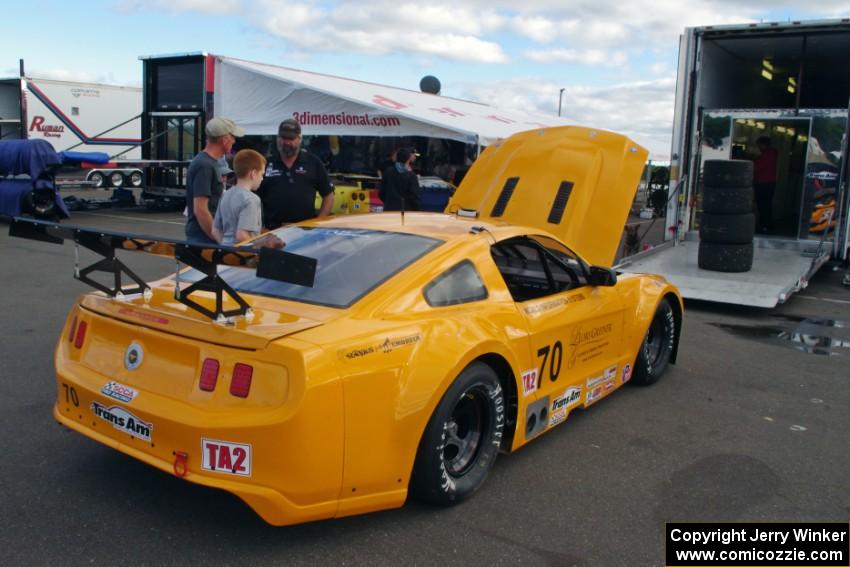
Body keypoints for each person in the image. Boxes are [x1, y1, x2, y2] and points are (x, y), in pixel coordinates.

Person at [257, 118, 334, 228]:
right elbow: (254, 199)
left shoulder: (313, 162)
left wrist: (317, 224)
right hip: (272, 232)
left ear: (299, 139)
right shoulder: (266, 163)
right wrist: (261, 228)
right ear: (277, 138)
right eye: (283, 138)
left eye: (291, 138)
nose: (287, 142)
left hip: (304, 233)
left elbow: (329, 195)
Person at [185, 117, 244, 244]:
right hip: (203, 240)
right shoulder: (204, 165)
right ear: (224, 140)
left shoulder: (210, 162)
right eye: (232, 136)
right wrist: (220, 239)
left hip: (204, 237)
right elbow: (200, 210)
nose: (234, 140)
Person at [212, 149, 283, 248]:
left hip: (226, 254)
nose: (262, 178)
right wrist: (260, 247)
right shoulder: (251, 199)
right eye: (261, 174)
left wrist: (226, 248)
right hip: (244, 257)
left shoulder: (225, 195)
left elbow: (215, 230)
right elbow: (241, 235)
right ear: (253, 173)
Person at [753, 136, 778, 233]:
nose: (758, 147)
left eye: (759, 145)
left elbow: (756, 167)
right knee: (767, 205)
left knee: (762, 205)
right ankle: (767, 225)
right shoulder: (773, 153)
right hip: (770, 182)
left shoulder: (765, 155)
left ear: (763, 145)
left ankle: (764, 225)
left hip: (763, 182)